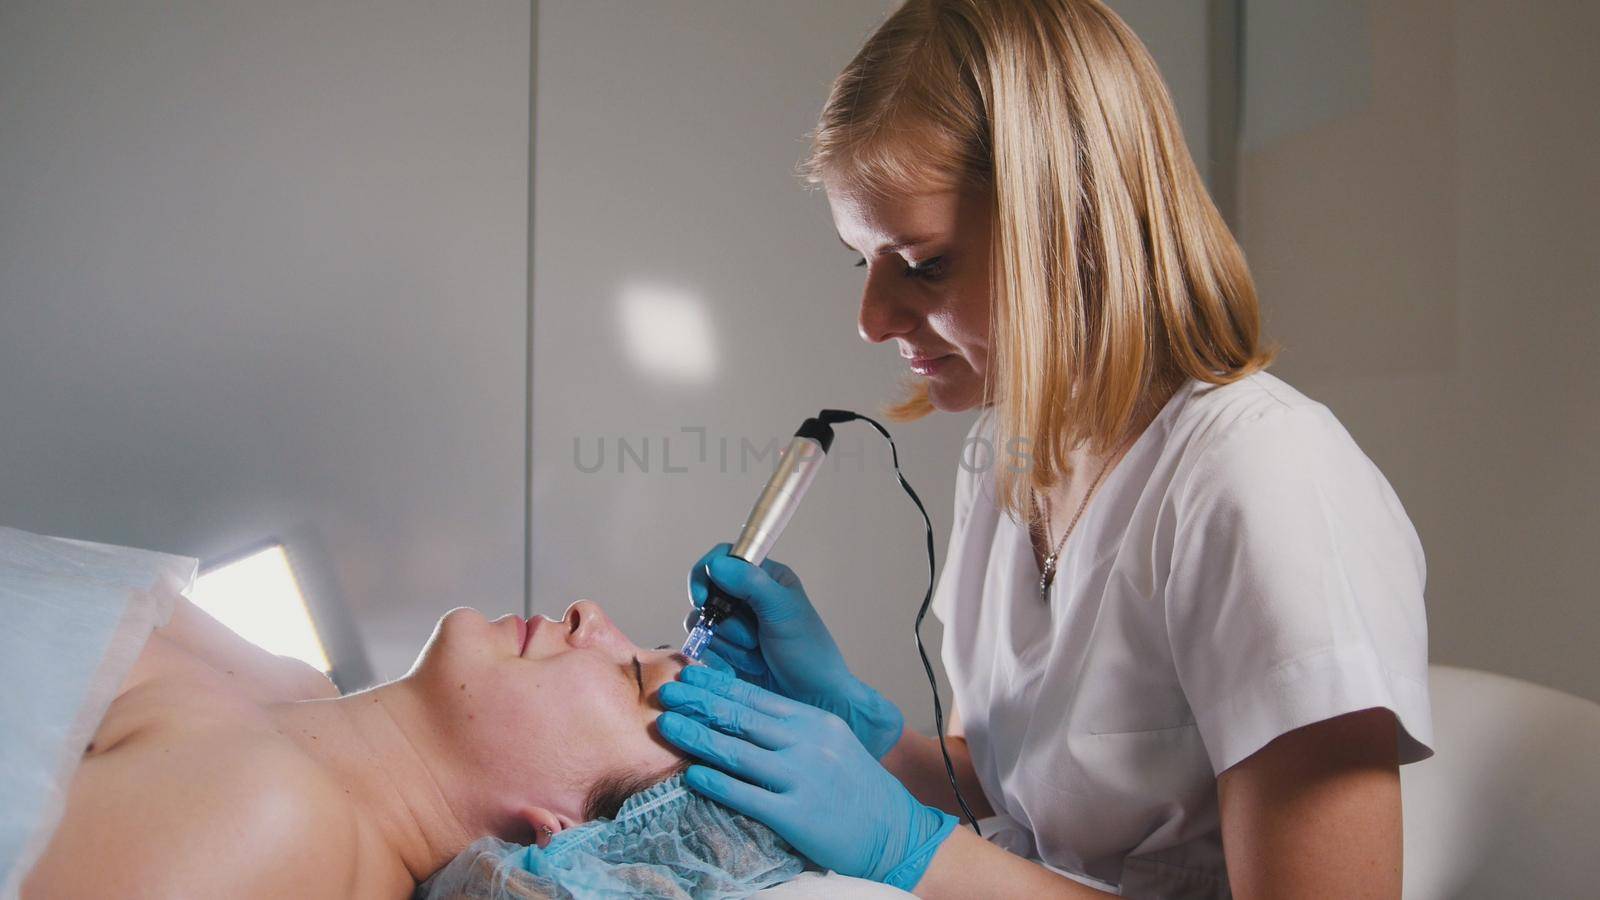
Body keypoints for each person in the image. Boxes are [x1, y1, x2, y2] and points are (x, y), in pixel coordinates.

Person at [654, 0, 1433, 897]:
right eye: (859, 260)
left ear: (1076, 226)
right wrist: (871, 735)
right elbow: (1042, 794)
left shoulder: (1265, 482)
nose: (871, 321)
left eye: (925, 262)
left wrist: (916, 850)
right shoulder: (1013, 452)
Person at [22, 596, 690, 899]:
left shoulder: (276, 825)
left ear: (564, 832)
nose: (589, 613)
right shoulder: (294, 688)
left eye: (634, 676)